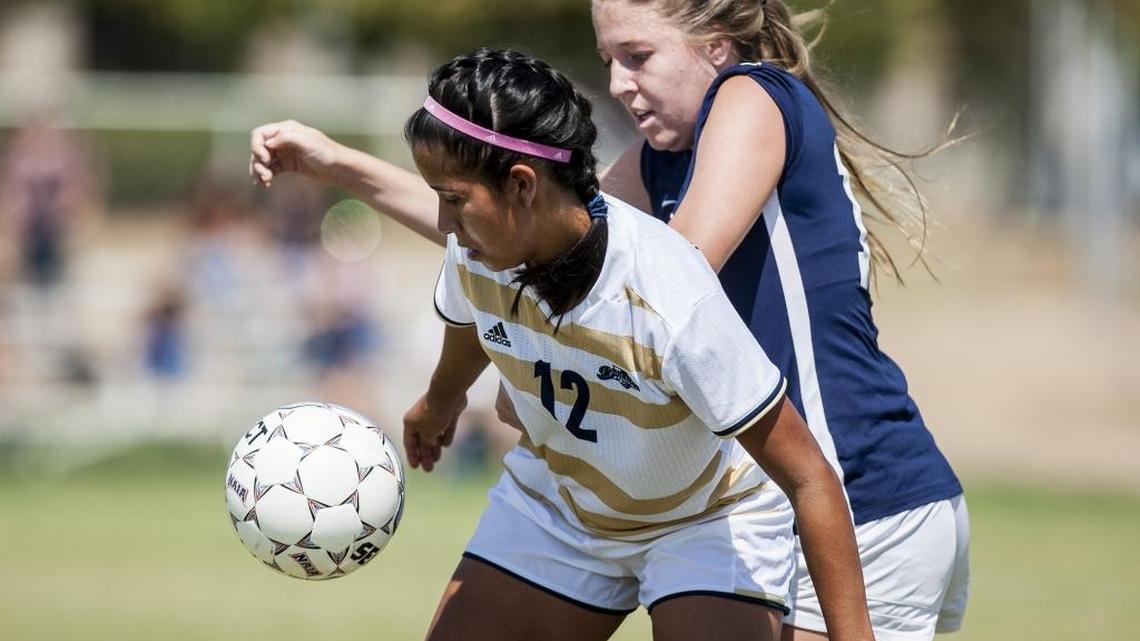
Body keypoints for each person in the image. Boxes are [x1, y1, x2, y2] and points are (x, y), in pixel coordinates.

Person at [249, 4, 969, 639]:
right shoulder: (656, 164)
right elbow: (501, 222)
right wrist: (337, 163)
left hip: (859, 493)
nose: (620, 82)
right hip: (754, 490)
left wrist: (541, 358)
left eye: (639, 55)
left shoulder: (751, 94)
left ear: (716, 43)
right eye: (608, 62)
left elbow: (666, 275)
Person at [377, 48, 873, 641]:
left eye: (454, 198)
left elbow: (809, 476)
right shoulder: (480, 251)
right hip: (559, 506)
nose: (442, 222)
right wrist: (439, 401)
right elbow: (469, 324)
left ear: (521, 185)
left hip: (707, 519)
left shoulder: (667, 294)